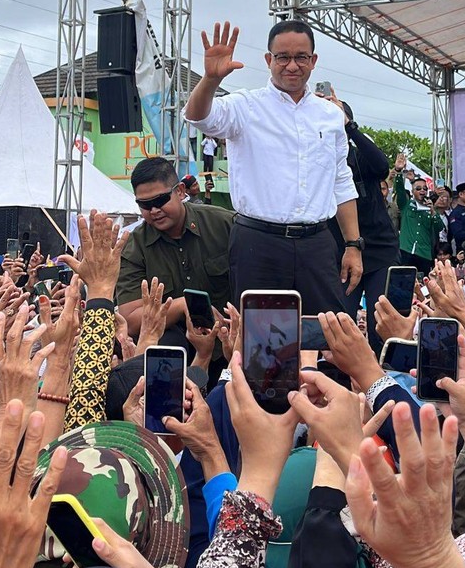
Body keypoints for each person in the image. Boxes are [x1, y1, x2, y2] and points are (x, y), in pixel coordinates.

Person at [185, 20, 362, 313]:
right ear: (269, 60)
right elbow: (198, 117)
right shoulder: (245, 105)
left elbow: (341, 181)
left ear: (313, 61)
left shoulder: (330, 115)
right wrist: (210, 80)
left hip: (317, 244)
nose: (292, 66)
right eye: (282, 57)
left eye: (301, 57)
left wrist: (353, 245)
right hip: (258, 244)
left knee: (328, 338)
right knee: (262, 342)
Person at [117, 156, 233, 345]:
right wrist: (182, 305)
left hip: (230, 343)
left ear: (179, 191)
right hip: (174, 354)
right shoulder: (135, 247)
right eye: (145, 205)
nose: (154, 210)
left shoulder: (224, 225)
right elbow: (130, 320)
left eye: (160, 200)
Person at [325, 95, 400, 354]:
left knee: (382, 322)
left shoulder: (360, 155)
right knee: (342, 322)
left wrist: (350, 127)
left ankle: (385, 382)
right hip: (342, 251)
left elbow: (381, 166)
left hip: (380, 248)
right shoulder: (318, 158)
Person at [392, 156, 442, 276]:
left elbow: (439, 228)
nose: (422, 191)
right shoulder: (406, 205)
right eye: (418, 188)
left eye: (425, 188)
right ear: (413, 191)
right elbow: (399, 189)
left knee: (423, 285)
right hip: (406, 250)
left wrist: (433, 212)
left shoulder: (430, 209)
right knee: (402, 283)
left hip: (423, 253)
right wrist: (398, 171)